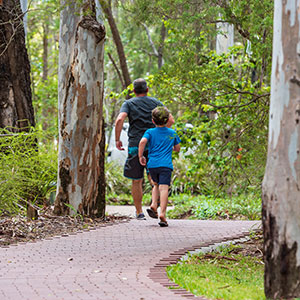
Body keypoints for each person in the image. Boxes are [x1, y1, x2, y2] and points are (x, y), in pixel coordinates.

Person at [115, 78, 174, 220]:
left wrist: (117, 139)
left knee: (136, 180)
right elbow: (170, 120)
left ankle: (139, 212)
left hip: (135, 145)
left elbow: (119, 119)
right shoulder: (156, 103)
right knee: (155, 180)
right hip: (153, 146)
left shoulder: (128, 104)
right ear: (147, 90)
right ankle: (155, 205)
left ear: (133, 91)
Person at [138, 106, 180, 227]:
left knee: (155, 184)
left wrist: (141, 156)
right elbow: (177, 149)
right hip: (165, 165)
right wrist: (170, 147)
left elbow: (142, 142)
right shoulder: (172, 133)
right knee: (164, 188)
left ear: (153, 120)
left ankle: (153, 205)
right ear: (167, 120)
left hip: (152, 164)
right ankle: (162, 213)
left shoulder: (150, 132)